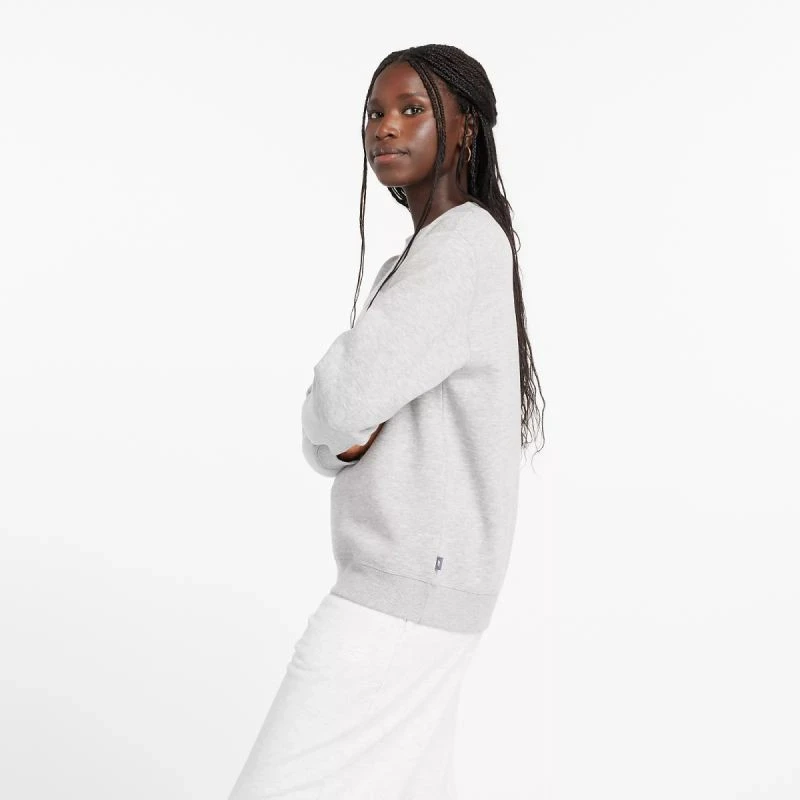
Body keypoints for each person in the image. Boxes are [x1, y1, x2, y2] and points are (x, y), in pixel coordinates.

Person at [228, 43, 545, 799]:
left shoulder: (463, 247)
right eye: (375, 112)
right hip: (425, 594)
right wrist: (339, 430)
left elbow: (339, 401)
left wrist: (334, 417)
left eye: (412, 109)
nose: (386, 128)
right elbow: (339, 432)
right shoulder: (423, 259)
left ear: (465, 128)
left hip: (399, 599)